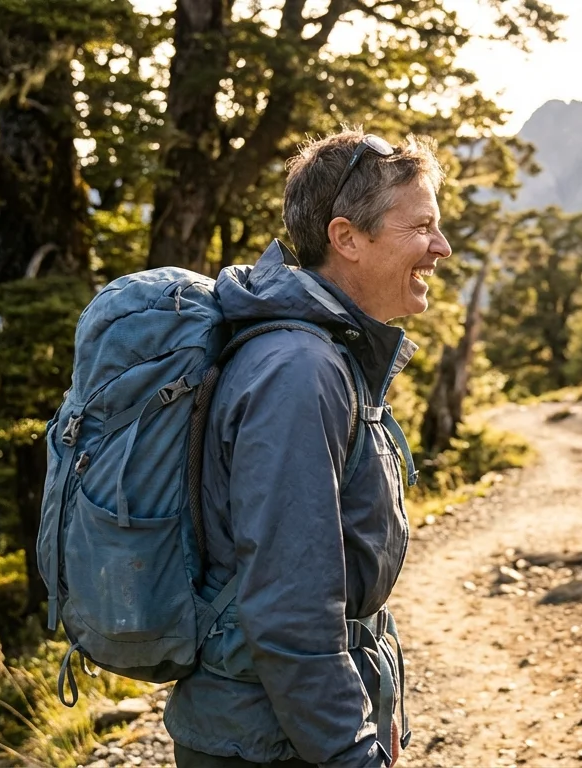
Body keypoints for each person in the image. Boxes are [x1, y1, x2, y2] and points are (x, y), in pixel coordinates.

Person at [164, 130, 452, 767]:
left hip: (283, 727)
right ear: (346, 237)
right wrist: (351, 749)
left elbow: (339, 569)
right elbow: (290, 602)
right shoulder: (299, 371)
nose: (442, 247)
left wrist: (375, 706)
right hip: (267, 743)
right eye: (421, 227)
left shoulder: (323, 356)